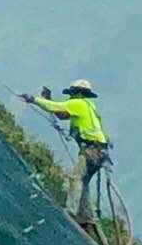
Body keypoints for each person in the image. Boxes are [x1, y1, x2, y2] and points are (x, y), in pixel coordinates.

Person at [21, 79, 110, 223]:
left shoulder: (77, 103)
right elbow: (62, 114)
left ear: (77, 93)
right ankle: (86, 217)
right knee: (84, 181)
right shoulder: (88, 106)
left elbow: (54, 107)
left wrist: (34, 99)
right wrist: (48, 99)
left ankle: (71, 212)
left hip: (91, 150)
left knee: (75, 178)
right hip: (101, 152)